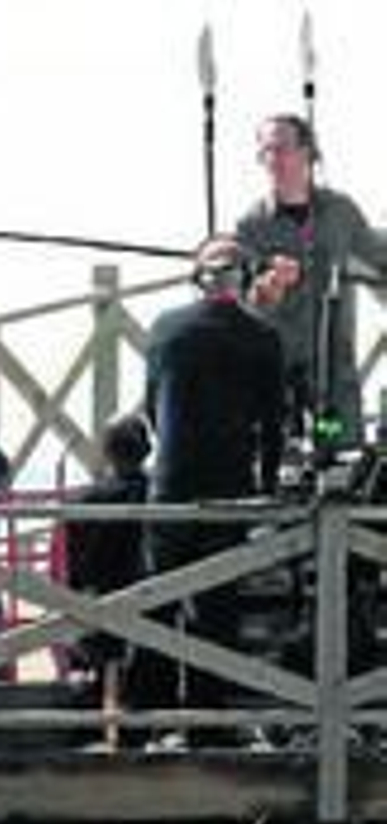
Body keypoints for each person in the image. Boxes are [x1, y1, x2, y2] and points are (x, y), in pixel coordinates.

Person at [132, 236, 290, 742]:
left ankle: (146, 716)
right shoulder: (262, 337)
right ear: (242, 281)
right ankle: (207, 718)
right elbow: (274, 424)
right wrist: (266, 488)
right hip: (230, 487)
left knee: (158, 596)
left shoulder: (165, 327)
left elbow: (152, 407)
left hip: (172, 481)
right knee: (216, 603)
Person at [235, 113, 387, 447]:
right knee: (281, 466)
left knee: (334, 455)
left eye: (282, 148)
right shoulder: (251, 225)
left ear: (308, 153)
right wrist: (267, 289)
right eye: (266, 151)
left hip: (332, 378)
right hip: (278, 375)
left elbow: (378, 257)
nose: (273, 159)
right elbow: (243, 303)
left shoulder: (340, 212)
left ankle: (328, 455)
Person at [64, 413, 152, 676]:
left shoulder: (84, 502)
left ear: (106, 452)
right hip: (153, 602)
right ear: (148, 450)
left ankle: (100, 680)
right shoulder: (161, 494)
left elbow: (75, 572)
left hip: (99, 608)